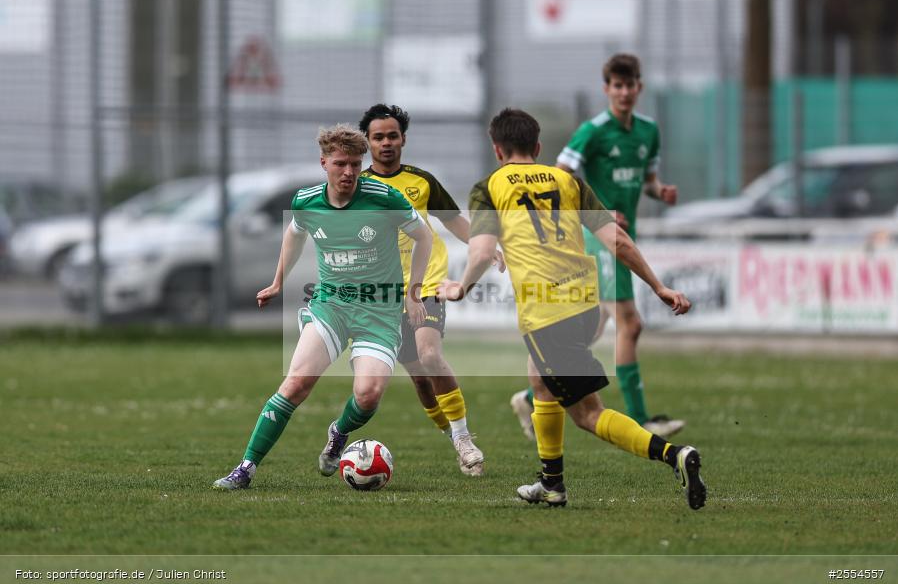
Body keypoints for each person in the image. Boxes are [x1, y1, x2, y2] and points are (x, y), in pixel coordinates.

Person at [439, 108, 706, 510]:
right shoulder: (568, 181)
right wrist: (659, 285)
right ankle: (551, 485)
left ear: (497, 150)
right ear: (539, 147)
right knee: (540, 379)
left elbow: (479, 252)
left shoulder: (490, 186)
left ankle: (675, 455)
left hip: (548, 312)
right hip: (585, 305)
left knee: (587, 414)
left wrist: (461, 286)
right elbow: (618, 241)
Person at [213, 124, 432, 489]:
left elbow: (423, 235)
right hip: (331, 305)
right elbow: (295, 233)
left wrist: (415, 291)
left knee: (369, 394)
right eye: (340, 164)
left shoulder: (383, 197)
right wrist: (278, 281)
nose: (348, 172)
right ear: (324, 163)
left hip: (379, 311)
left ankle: (339, 430)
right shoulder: (307, 201)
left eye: (355, 165)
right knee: (296, 383)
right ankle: (245, 468)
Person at [510, 53, 685, 440]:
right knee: (631, 322)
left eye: (630, 84)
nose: (624, 92)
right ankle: (643, 419)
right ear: (607, 89)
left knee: (591, 331)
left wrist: (660, 191)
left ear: (639, 87)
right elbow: (561, 174)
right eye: (616, 86)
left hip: (623, 237)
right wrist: (599, 211)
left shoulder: (648, 132)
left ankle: (528, 394)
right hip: (598, 238)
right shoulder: (592, 131)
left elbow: (648, 180)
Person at [358, 104, 503, 476]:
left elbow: (454, 221)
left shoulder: (422, 181)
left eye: (392, 136)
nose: (386, 143)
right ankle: (452, 435)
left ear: (403, 139)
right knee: (421, 382)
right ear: (368, 142)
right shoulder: (357, 186)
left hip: (427, 284)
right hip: (385, 293)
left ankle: (464, 439)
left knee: (429, 354)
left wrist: (485, 247)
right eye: (378, 137)